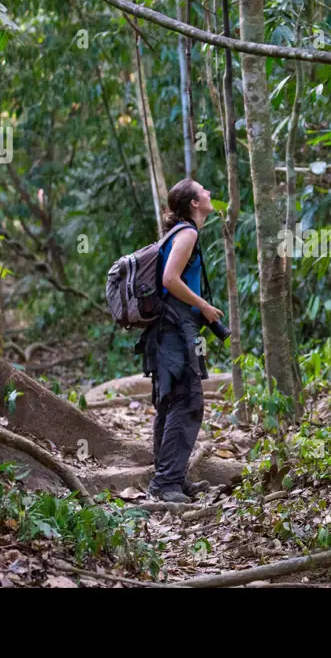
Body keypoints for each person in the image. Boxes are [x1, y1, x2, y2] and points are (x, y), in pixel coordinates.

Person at [136, 178, 224, 503]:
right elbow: (169, 279)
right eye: (204, 190)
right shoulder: (187, 233)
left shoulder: (177, 233)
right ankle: (165, 484)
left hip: (166, 328)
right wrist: (203, 306)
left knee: (171, 401)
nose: (209, 192)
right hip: (174, 328)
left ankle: (170, 478)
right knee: (188, 401)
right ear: (193, 203)